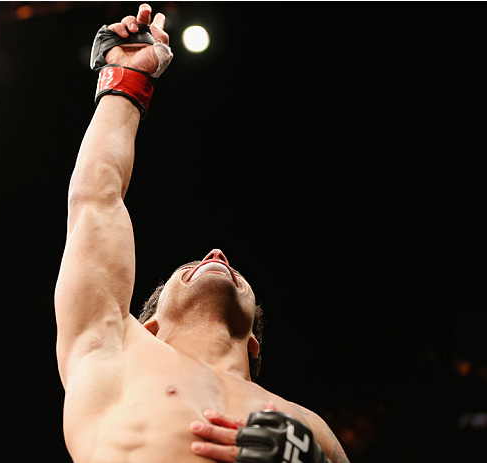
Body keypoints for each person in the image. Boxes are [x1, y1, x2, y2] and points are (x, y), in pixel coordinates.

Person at [55, 4, 349, 462]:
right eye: (190, 265)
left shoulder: (308, 427)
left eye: (221, 261)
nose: (218, 254)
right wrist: (126, 82)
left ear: (254, 343)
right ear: (150, 326)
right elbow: (96, 197)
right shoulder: (112, 345)